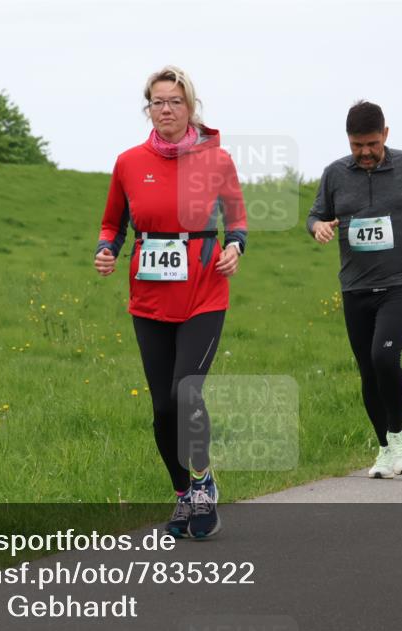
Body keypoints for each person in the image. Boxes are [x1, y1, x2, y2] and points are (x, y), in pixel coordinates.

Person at [95, 66, 246, 538]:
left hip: (204, 293)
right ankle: (184, 494)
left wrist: (235, 246)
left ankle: (203, 483)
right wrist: (105, 251)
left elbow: (237, 219)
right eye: (158, 102)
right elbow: (112, 224)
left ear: (191, 108)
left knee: (186, 392)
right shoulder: (128, 162)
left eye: (175, 102)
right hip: (149, 298)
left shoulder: (216, 160)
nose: (166, 110)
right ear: (149, 109)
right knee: (163, 408)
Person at [308, 101, 402, 479]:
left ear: (385, 134)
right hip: (355, 285)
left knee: (385, 357)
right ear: (348, 141)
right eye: (357, 145)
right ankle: (385, 450)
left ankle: (399, 437)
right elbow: (315, 214)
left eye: (372, 143)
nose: (365, 152)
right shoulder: (334, 173)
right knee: (368, 370)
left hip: (400, 281)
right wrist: (318, 227)